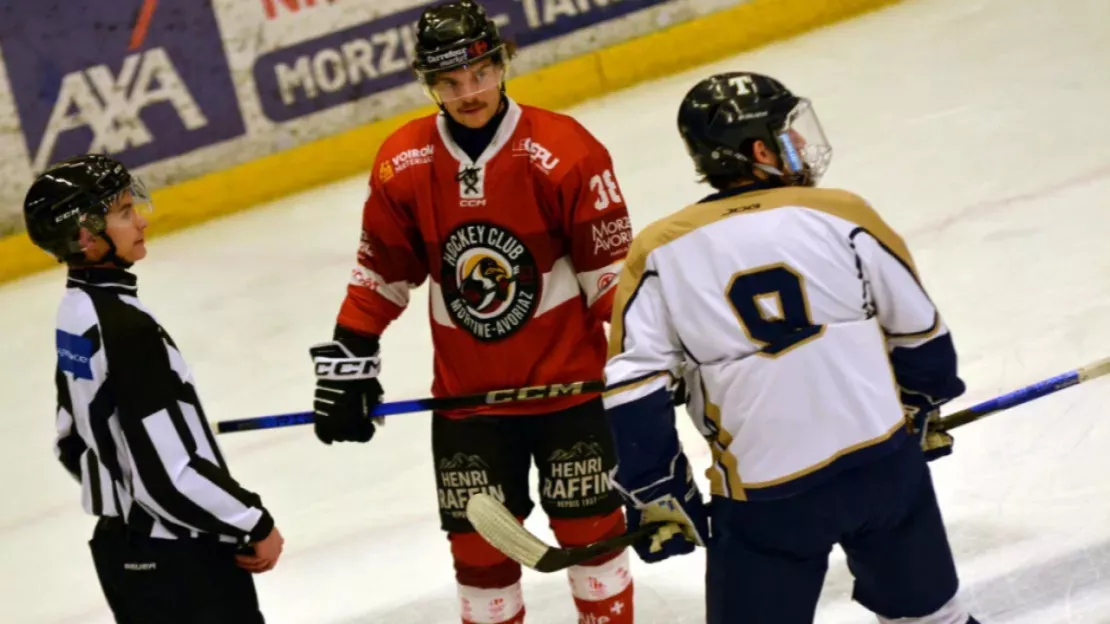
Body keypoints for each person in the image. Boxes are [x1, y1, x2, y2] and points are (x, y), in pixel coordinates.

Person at [601, 72, 981, 624]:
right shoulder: (842, 213)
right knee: (934, 619)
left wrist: (655, 486)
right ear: (758, 150)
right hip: (882, 468)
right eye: (786, 133)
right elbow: (922, 334)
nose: (800, 143)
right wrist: (923, 403)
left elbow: (633, 384)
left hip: (767, 496)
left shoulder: (661, 251)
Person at [306, 1, 637, 622]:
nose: (469, 92)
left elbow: (610, 282)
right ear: (427, 84)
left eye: (480, 73)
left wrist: (648, 362)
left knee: (593, 541)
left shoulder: (566, 151)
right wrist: (349, 356)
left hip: (569, 392)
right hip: (469, 405)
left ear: (502, 62)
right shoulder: (403, 164)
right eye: (450, 83)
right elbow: (381, 274)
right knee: (479, 558)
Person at [24, 154, 283, 623]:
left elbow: (72, 441)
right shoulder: (126, 328)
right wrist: (253, 520)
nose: (140, 219)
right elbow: (166, 476)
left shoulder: (76, 312)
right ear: (85, 235)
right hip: (181, 569)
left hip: (122, 554)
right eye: (124, 212)